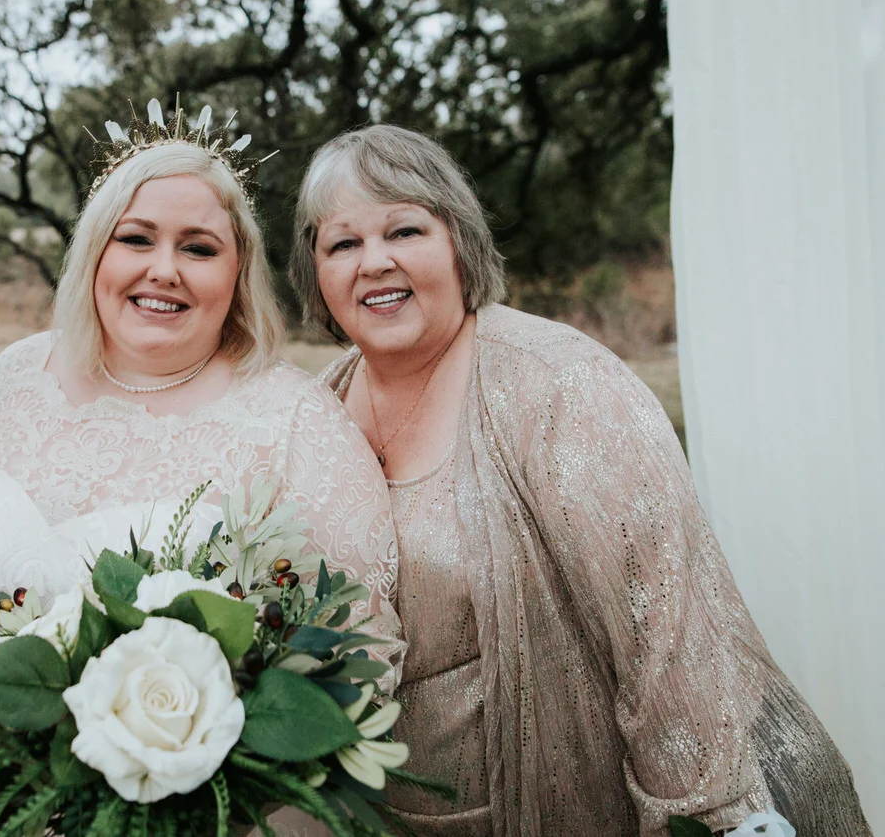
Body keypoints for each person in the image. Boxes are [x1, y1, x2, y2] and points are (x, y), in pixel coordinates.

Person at [289, 123, 871, 836]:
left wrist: (704, 819)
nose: (374, 262)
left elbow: (664, 635)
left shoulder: (560, 385)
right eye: (343, 243)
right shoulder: (312, 412)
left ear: (459, 242)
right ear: (314, 269)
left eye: (404, 231)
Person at [0, 103, 399, 652]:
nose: (164, 270)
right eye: (136, 239)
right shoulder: (12, 376)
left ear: (239, 271)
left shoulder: (298, 424)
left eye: (198, 248)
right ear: (95, 251)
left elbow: (356, 647)